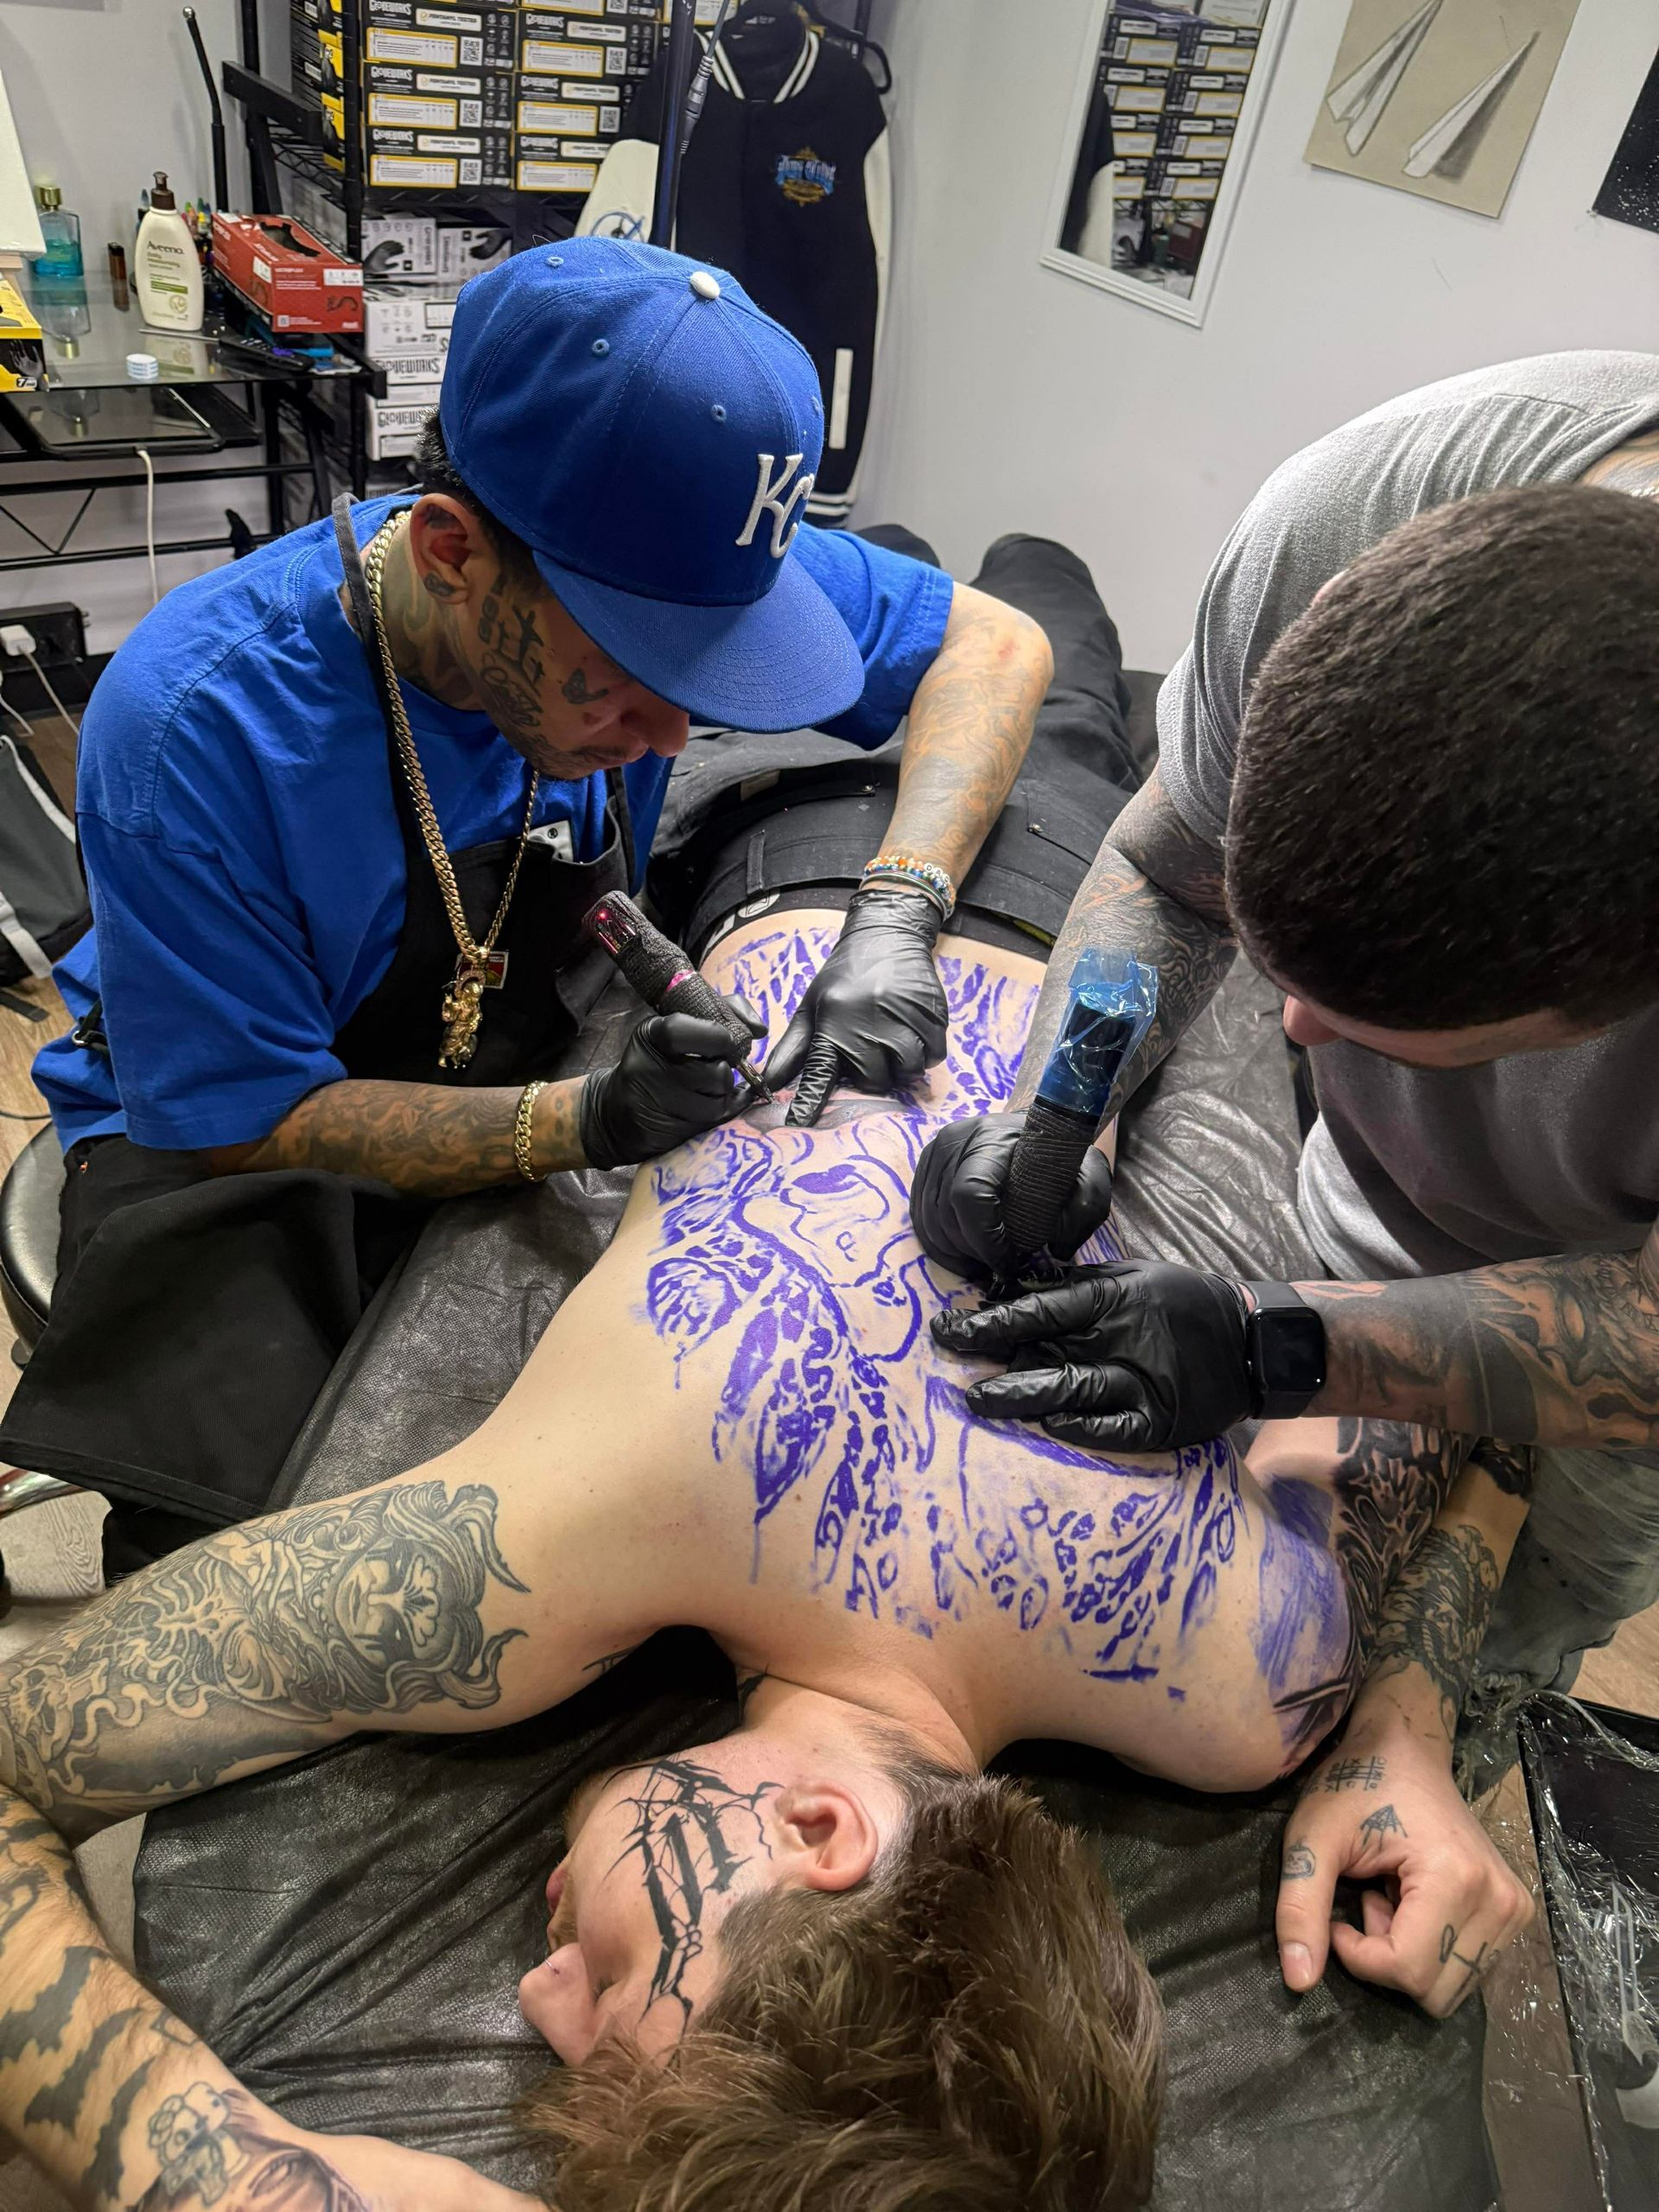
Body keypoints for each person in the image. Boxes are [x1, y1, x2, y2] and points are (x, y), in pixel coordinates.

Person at [0, 897, 1531, 2212]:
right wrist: (189, 2159)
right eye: (604, 1987)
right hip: (860, 866)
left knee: (1040, 607)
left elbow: (1498, 1426)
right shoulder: (543, 1547)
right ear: (816, 1832)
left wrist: (1397, 1714)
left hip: (1134, 940)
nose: (540, 1996)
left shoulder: (1243, 1689)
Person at [1, 236, 1052, 1577]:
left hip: (505, 1028)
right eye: (625, 673)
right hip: (239, 1131)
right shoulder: (198, 730)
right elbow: (247, 1122)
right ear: (451, 552)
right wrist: (582, 1123)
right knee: (289, 1550)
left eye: (714, 663)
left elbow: (1001, 642)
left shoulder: (676, 557)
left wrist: (901, 904)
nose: (679, 723)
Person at [912, 353, 1659, 1808]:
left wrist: (1276, 1348)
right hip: (1358, 1222)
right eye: (1284, 969)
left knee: (1494, 1650)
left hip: (1615, 1356)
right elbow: (1161, 867)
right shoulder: (1342, 519)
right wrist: (1064, 1099)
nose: (1291, 1032)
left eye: (1371, 1023)